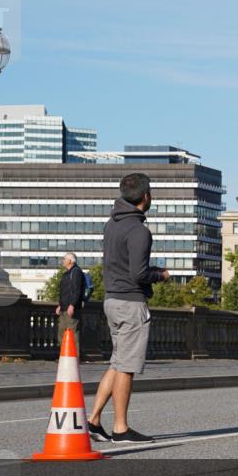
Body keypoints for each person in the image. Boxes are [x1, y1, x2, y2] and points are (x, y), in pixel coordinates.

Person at [87, 172, 170, 444]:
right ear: (146, 196)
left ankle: (93, 421)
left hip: (111, 299)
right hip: (131, 302)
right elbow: (138, 274)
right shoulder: (139, 231)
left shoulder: (111, 224)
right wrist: (161, 275)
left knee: (117, 362)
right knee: (126, 367)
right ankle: (121, 428)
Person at [56, 253, 86, 358]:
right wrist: (60, 305)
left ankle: (74, 357)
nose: (62, 260)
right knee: (62, 333)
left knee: (73, 332)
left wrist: (72, 305)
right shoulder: (66, 273)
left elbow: (76, 290)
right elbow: (64, 291)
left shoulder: (76, 272)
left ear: (70, 261)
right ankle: (65, 356)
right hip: (64, 307)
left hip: (71, 308)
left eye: (64, 259)